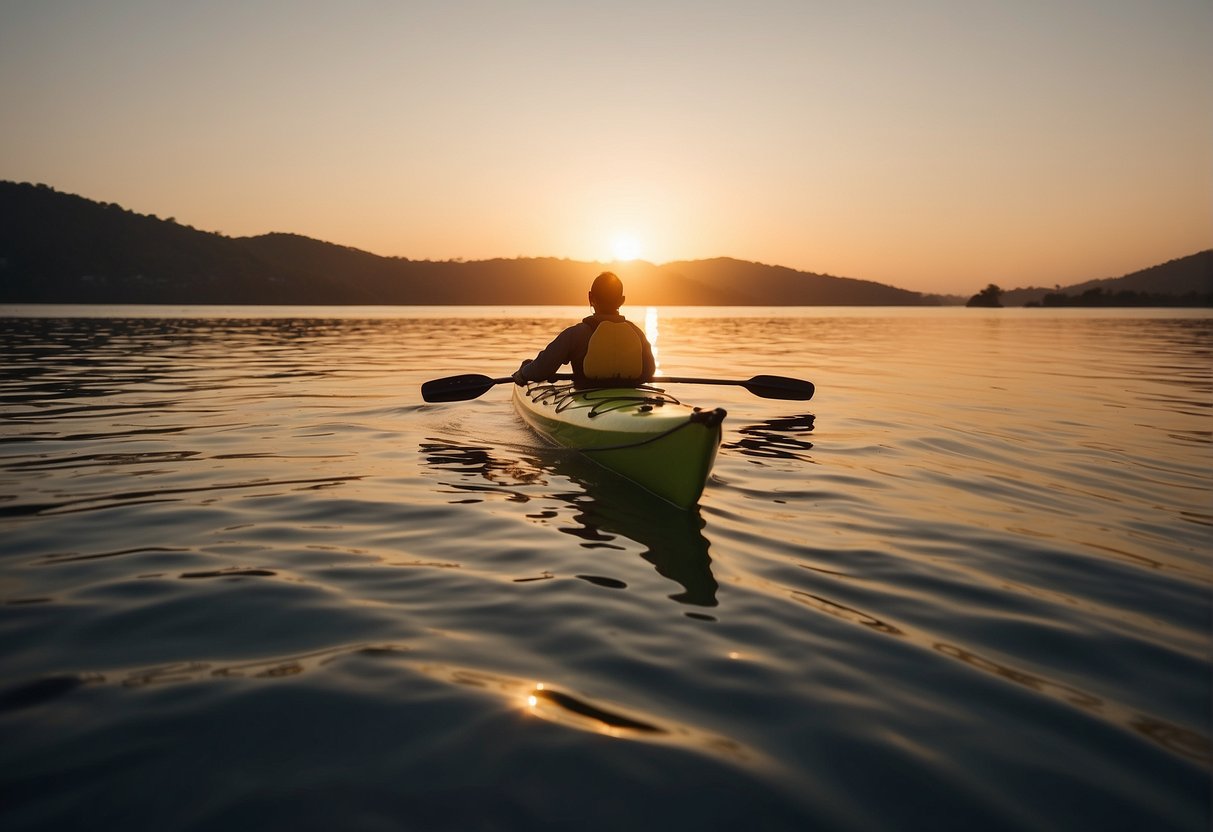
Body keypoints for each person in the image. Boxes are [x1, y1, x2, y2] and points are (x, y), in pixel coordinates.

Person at [512, 271, 656, 387]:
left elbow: (540, 370)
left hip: (587, 400)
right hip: (631, 402)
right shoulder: (637, 334)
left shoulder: (575, 335)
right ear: (622, 300)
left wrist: (523, 373)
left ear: (590, 297)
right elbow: (649, 371)